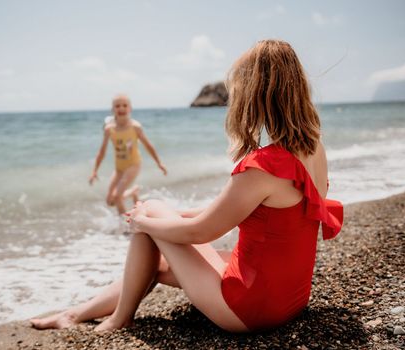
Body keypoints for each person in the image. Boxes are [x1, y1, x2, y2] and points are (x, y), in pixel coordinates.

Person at [30, 40, 343, 333]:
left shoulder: (263, 166)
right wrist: (172, 217)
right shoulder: (313, 148)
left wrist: (143, 221)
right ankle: (76, 314)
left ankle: (119, 318)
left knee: (150, 209)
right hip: (291, 297)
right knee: (158, 261)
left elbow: (201, 232)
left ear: (254, 94)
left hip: (250, 308)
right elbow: (236, 211)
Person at [88, 94, 167, 215]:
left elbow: (148, 145)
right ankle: (133, 192)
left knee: (118, 197)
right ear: (112, 109)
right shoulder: (109, 129)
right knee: (110, 201)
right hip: (119, 168)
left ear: (130, 108)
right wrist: (94, 171)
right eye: (117, 106)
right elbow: (102, 151)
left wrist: (159, 163)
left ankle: (126, 227)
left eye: (125, 105)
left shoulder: (135, 127)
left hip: (133, 164)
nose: (121, 108)